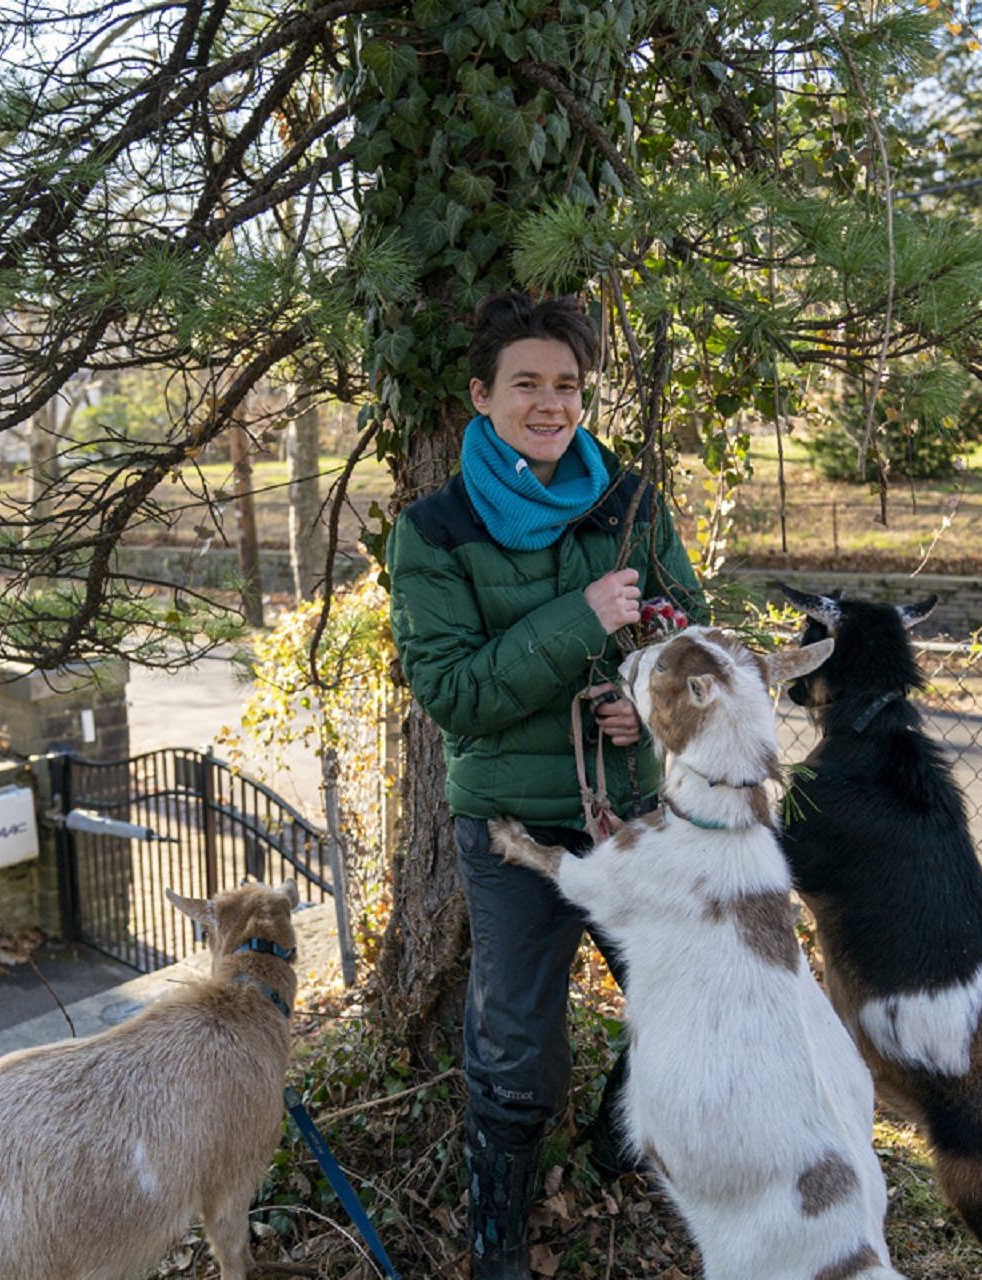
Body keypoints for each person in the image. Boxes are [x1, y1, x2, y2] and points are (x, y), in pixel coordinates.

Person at [387, 290, 707, 1279]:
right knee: (520, 1050)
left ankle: (617, 1149)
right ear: (482, 395)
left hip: (626, 821)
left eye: (566, 384)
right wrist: (578, 616)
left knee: (687, 999)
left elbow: (687, 634)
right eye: (526, 382)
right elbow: (453, 694)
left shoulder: (630, 502)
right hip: (513, 833)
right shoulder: (434, 531)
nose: (550, 402)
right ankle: (498, 1250)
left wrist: (646, 700)